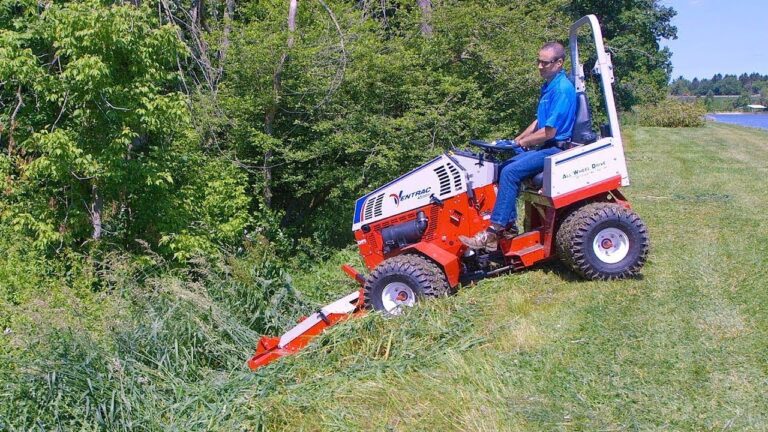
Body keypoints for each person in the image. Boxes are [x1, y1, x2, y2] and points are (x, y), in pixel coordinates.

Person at [459, 41, 577, 251]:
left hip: (556, 148)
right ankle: (509, 226)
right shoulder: (549, 85)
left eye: (545, 63)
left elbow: (549, 132)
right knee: (503, 167)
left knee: (511, 172)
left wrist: (523, 142)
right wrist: (518, 139)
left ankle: (493, 231)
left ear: (559, 63)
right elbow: (539, 122)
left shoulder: (562, 89)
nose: (540, 66)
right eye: (538, 61)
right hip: (546, 146)